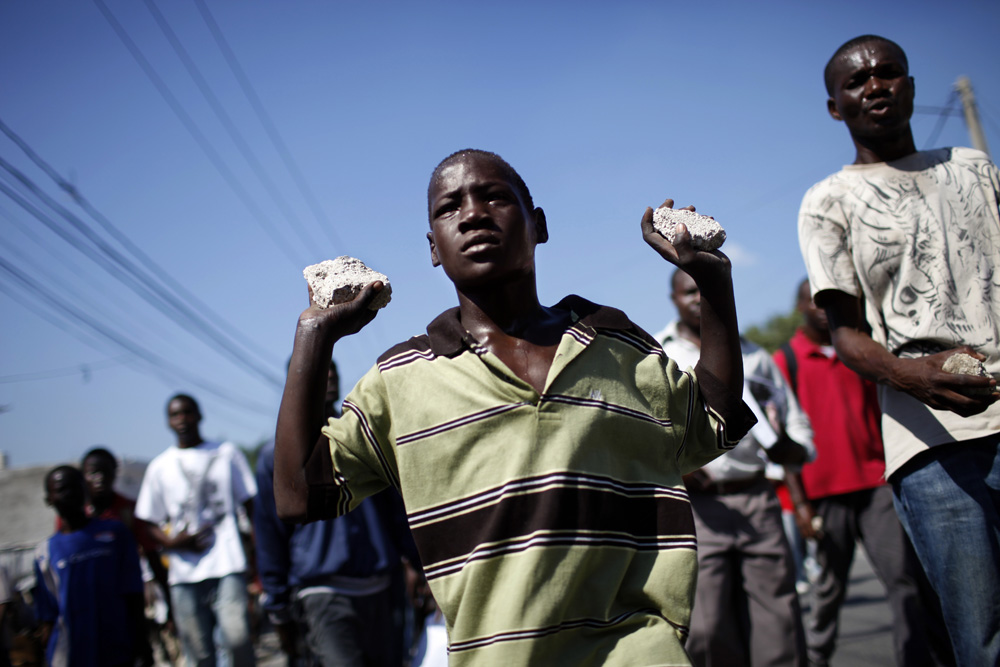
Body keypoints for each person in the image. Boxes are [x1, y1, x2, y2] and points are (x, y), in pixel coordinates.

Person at [273, 148, 756, 665]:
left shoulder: (616, 346)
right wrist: (313, 337)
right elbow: (299, 497)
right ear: (434, 248)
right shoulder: (401, 379)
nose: (475, 213)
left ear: (539, 225)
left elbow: (715, 419)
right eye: (450, 207)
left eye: (496, 197)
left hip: (638, 650)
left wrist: (714, 283)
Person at [797, 34, 1000, 666]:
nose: (875, 87)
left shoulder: (973, 167)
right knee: (982, 640)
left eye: (889, 74)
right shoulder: (828, 201)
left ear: (911, 86)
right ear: (835, 107)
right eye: (857, 82)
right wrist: (913, 376)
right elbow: (847, 337)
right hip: (932, 444)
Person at [774, 278, 952, 666]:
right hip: (822, 494)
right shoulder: (785, 360)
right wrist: (799, 504)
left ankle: (918, 658)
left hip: (875, 485)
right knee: (828, 592)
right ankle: (816, 658)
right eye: (814, 301)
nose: (822, 309)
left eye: (828, 301)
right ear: (800, 307)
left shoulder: (863, 352)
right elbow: (782, 438)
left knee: (905, 581)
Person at [657, 268, 814, 667]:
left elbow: (793, 423)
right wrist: (683, 471)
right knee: (708, 628)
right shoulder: (660, 354)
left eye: (702, 290)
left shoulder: (756, 357)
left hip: (757, 500)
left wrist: (790, 451)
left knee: (778, 620)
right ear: (673, 299)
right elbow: (648, 435)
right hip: (699, 510)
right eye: (687, 291)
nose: (696, 298)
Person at [254, 359, 416, 666]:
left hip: (381, 588)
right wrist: (277, 603)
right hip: (322, 594)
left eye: (333, 371)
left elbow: (397, 510)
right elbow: (269, 533)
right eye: (317, 369)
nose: (327, 376)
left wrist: (419, 566)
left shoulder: (365, 438)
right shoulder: (274, 457)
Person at [135, 394, 257, 667]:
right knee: (198, 652)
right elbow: (146, 521)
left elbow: (251, 505)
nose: (182, 420)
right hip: (184, 574)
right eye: (175, 415)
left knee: (237, 639)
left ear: (199, 415)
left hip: (227, 563)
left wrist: (257, 557)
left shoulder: (226, 454)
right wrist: (173, 542)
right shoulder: (159, 466)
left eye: (187, 412)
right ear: (168, 421)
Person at [33, 465, 151, 666]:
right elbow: (48, 616)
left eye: (74, 487)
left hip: (117, 649)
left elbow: (134, 595)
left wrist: (142, 643)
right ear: (49, 500)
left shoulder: (115, 534)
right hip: (71, 654)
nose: (69, 494)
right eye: (61, 489)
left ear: (85, 490)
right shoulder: (45, 552)